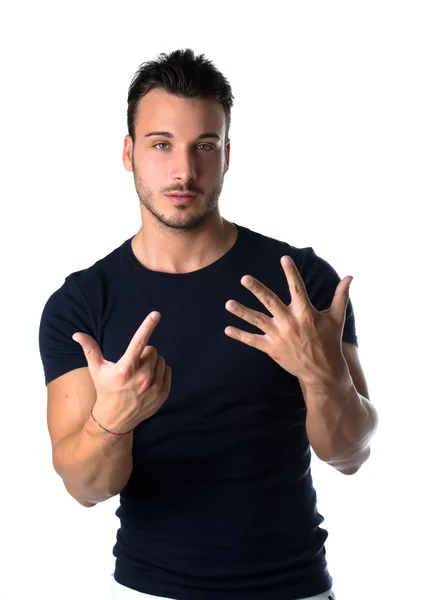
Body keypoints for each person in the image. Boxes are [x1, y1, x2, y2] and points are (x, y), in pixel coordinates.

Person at [39, 48, 378, 600]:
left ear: (227, 155)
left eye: (205, 146)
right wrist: (113, 421)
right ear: (129, 153)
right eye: (161, 145)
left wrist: (324, 376)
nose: (184, 170)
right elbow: (83, 488)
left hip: (293, 587)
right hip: (152, 589)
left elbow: (350, 456)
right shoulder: (81, 305)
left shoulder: (299, 282)